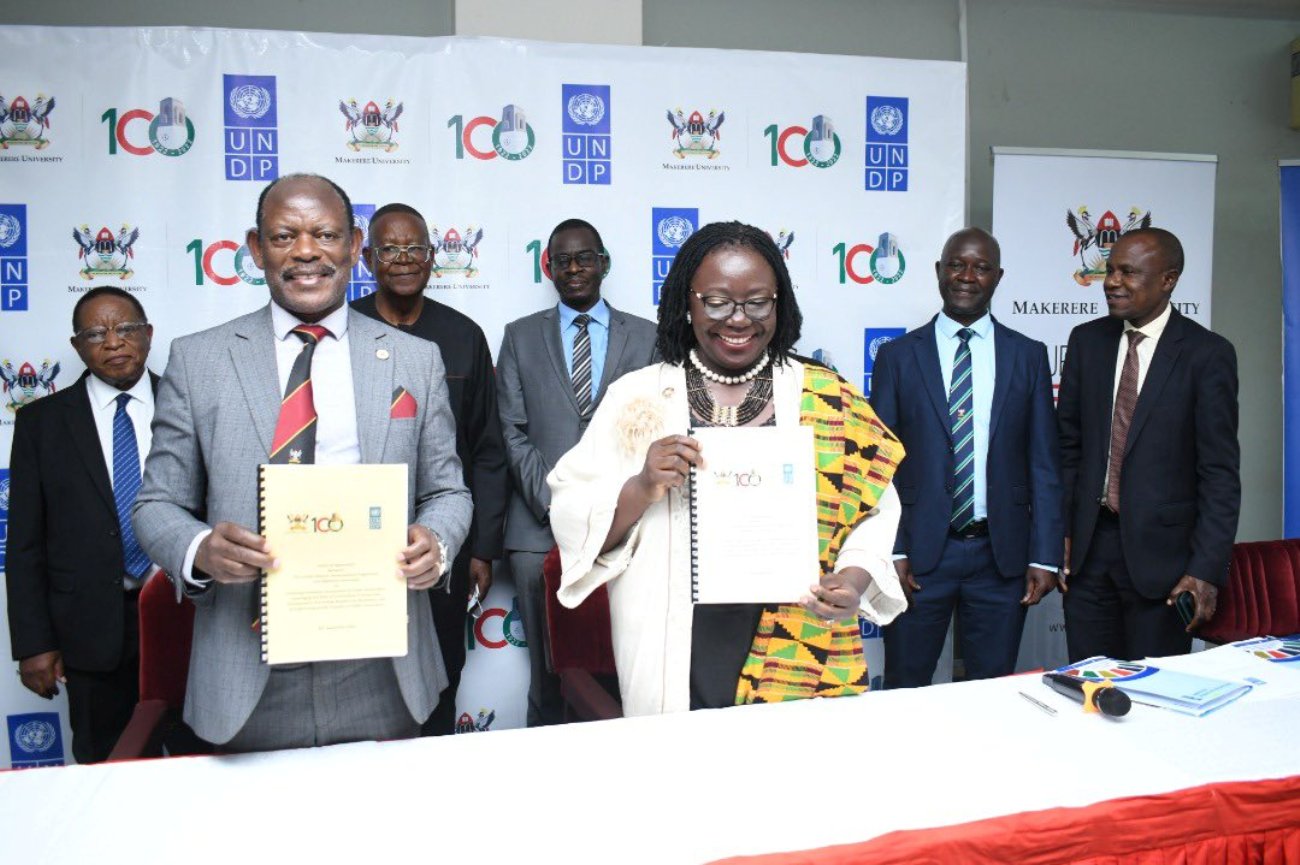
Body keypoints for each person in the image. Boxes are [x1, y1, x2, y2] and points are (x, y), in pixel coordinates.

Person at [133, 174, 472, 751]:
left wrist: (436, 543)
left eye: (325, 234)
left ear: (354, 246)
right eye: (285, 236)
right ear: (256, 248)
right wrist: (199, 550)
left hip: (381, 666)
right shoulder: (198, 360)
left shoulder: (415, 361)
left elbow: (449, 492)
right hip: (248, 671)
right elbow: (157, 503)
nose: (307, 251)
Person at [547, 221, 906, 715]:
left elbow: (876, 509)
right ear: (686, 303)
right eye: (716, 302)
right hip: (674, 636)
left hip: (796, 635)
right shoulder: (638, 397)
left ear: (779, 303)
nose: (738, 320)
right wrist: (642, 484)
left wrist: (856, 576)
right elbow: (571, 513)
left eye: (757, 302)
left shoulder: (826, 395)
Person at [870, 228, 1062, 687]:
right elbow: (881, 462)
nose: (967, 276)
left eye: (980, 267)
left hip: (1001, 557)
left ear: (998, 277)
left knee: (993, 690)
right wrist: (892, 548)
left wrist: (1046, 556)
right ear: (939, 271)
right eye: (957, 264)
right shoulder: (897, 357)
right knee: (905, 686)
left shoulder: (1027, 356)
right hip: (918, 557)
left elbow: (1044, 463)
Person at [351, 202, 508, 736]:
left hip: (444, 542)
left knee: (441, 676)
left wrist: (481, 548)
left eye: (414, 248)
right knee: (361, 682)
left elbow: (488, 449)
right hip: (358, 539)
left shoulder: (464, 335)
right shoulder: (340, 332)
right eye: (389, 249)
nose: (402, 259)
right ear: (367, 257)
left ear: (432, 258)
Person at [497, 218, 656, 725]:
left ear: (603, 264)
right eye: (562, 260)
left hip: (625, 525)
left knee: (622, 665)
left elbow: (656, 428)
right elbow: (512, 431)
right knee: (547, 675)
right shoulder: (520, 337)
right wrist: (559, 504)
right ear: (548, 267)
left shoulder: (648, 337)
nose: (573, 268)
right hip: (536, 526)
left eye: (584, 258)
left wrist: (610, 509)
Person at [1058, 227, 1239, 661]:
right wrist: (1060, 531)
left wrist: (1205, 570)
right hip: (1088, 555)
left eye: (1128, 272)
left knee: (1155, 700)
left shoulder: (1207, 354)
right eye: (1110, 270)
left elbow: (1219, 472)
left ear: (1168, 279)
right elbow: (1068, 446)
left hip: (1166, 565)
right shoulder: (1087, 341)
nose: (1112, 281)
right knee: (1089, 686)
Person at [5, 287, 157, 763]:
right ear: (77, 346)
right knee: (103, 764)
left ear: (148, 335)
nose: (114, 342)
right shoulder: (41, 423)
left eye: (126, 329)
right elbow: (25, 543)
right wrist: (34, 644)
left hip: (185, 618)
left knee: (200, 760)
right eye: (96, 333)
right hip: (89, 631)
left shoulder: (189, 403)